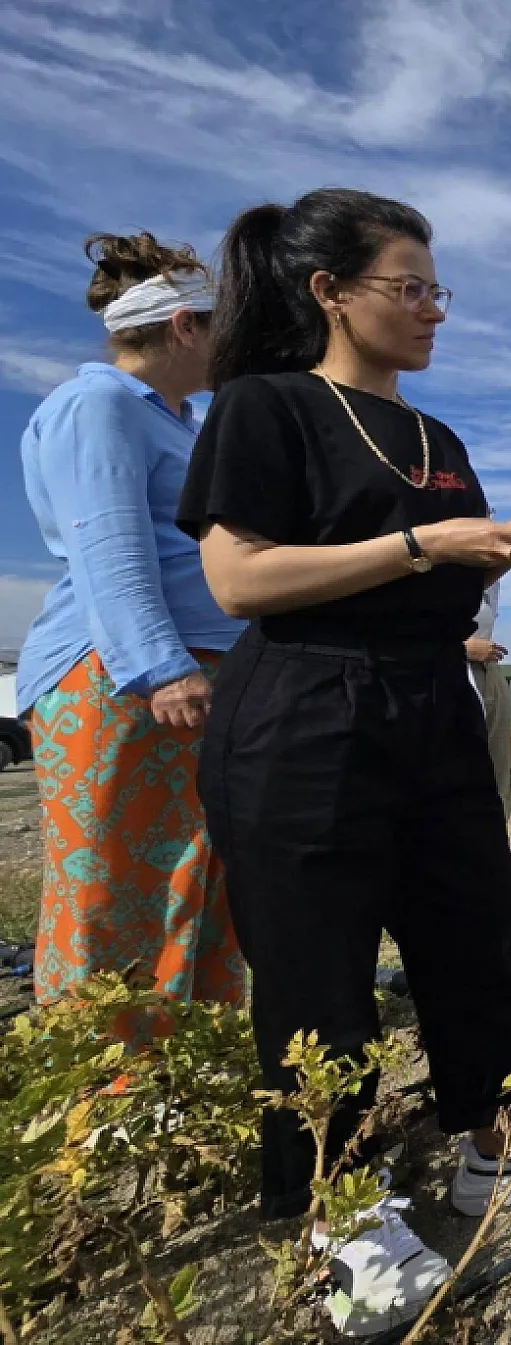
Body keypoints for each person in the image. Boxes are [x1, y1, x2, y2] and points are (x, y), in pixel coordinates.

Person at [178, 187, 511, 1337]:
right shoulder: (265, 406)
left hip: (428, 705)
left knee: (476, 940)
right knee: (317, 978)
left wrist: (484, 550)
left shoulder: (439, 440)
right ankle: (332, 1217)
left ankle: (495, 1148)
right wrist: (420, 544)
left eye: (439, 289)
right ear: (331, 294)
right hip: (303, 711)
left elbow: (441, 572)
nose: (434, 309)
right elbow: (238, 579)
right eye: (412, 287)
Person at [16, 232, 246, 1027]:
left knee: (200, 881)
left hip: (197, 673)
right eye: (222, 328)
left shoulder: (183, 422)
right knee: (115, 891)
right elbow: (107, 540)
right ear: (185, 327)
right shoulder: (99, 405)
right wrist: (160, 666)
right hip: (122, 679)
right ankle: (104, 1083)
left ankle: (194, 1068)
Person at [467, 579, 511, 818]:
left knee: (499, 772)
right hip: (445, 669)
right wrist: (462, 648)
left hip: (489, 670)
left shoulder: (493, 579)